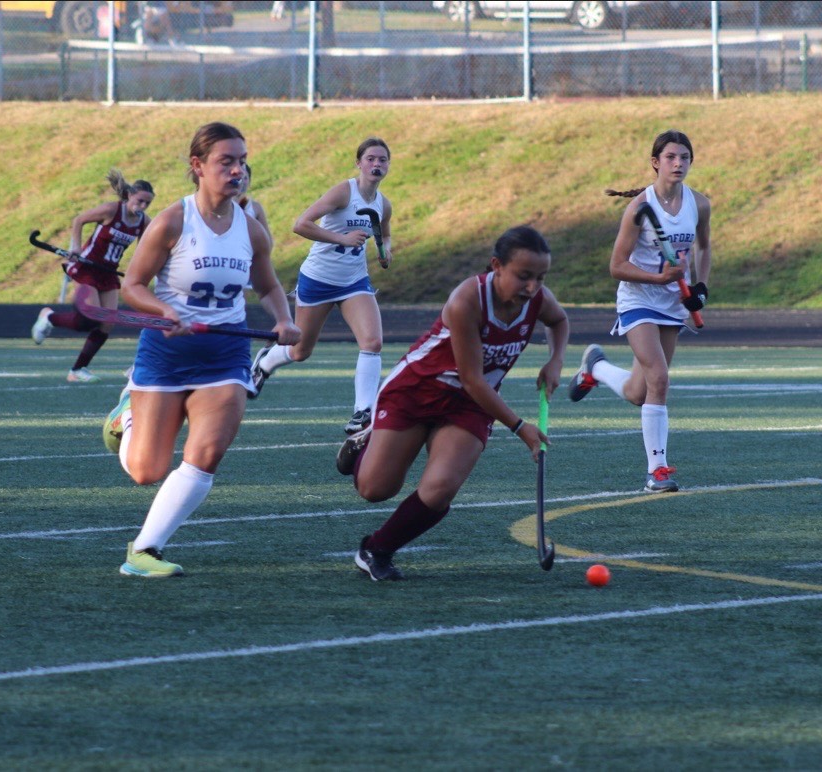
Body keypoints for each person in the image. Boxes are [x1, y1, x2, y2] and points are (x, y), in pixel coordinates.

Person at [102, 121, 301, 577]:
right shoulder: (173, 220)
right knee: (145, 471)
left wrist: (284, 320)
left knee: (207, 452)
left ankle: (144, 551)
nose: (238, 170)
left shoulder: (251, 230)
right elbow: (133, 285)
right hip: (167, 352)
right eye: (226, 162)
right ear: (198, 166)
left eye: (242, 161)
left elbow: (267, 285)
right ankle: (126, 413)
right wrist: (165, 312)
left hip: (224, 354)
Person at [335, 225, 569, 581]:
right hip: (417, 390)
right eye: (524, 276)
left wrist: (555, 360)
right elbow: (473, 379)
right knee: (374, 489)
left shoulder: (537, 299)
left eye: (540, 277)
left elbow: (560, 320)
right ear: (496, 266)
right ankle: (364, 441)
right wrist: (521, 428)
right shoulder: (467, 300)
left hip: (470, 405)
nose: (533, 287)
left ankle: (377, 549)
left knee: (440, 488)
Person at [566, 129, 711, 493]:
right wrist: (657, 277)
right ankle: (657, 471)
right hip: (638, 300)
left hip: (671, 305)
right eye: (671, 157)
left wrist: (701, 290)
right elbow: (616, 265)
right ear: (655, 163)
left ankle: (595, 368)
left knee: (639, 392)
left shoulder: (700, 204)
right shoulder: (638, 209)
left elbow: (704, 249)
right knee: (659, 379)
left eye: (685, 158)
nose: (678, 164)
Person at [250, 137, 394, 435]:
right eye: (370, 159)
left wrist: (385, 250)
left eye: (382, 160)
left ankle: (362, 413)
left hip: (355, 281)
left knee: (373, 343)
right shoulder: (344, 191)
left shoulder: (383, 204)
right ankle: (265, 362)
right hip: (319, 278)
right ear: (359, 163)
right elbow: (300, 224)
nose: (376, 164)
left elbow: (385, 234)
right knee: (301, 351)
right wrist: (342, 238)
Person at [31, 170, 155, 383]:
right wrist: (76, 247)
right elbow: (79, 220)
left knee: (107, 323)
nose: (142, 207)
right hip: (87, 268)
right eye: (140, 201)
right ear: (130, 196)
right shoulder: (111, 210)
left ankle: (77, 370)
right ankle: (48, 317)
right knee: (91, 317)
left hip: (107, 273)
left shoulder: (143, 222)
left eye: (147, 204)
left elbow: (145, 248)